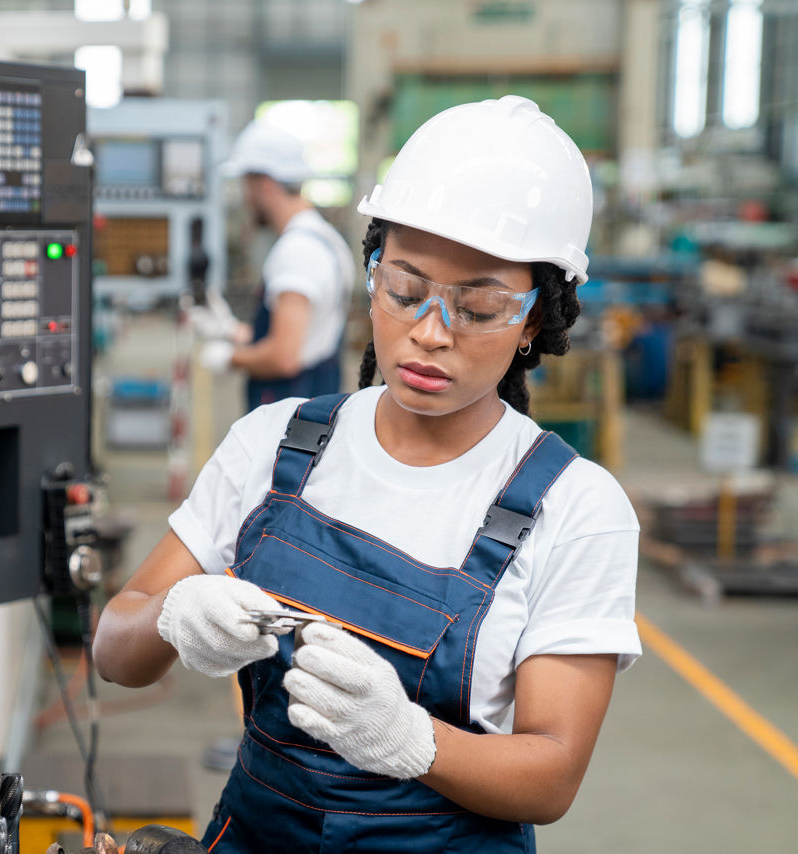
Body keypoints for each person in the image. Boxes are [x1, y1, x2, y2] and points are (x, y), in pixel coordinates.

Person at [93, 96, 640, 853]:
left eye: (478, 309)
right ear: (371, 274)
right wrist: (172, 615)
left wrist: (413, 741)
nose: (428, 333)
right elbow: (113, 652)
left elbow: (550, 778)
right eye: (405, 291)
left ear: (536, 321)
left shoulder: (575, 508)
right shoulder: (274, 443)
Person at [193, 120, 356, 410]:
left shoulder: (298, 251)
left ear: (265, 184)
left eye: (246, 185)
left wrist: (229, 357)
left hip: (288, 416)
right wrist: (231, 331)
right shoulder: (325, 238)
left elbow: (284, 357)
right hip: (311, 405)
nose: (245, 199)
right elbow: (307, 334)